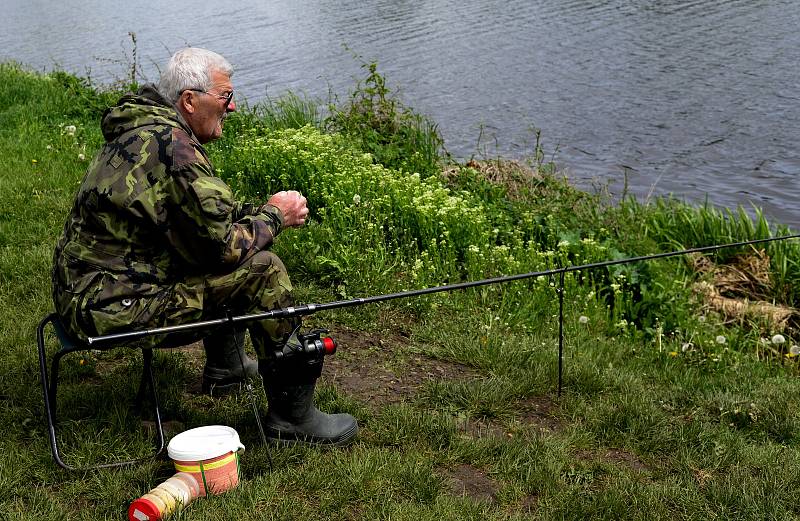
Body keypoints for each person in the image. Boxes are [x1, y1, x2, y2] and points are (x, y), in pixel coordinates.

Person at [51, 47, 357, 446]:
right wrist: (276, 217)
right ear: (190, 100)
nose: (233, 108)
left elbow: (201, 218)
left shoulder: (141, 131)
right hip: (112, 311)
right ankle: (291, 419)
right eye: (226, 97)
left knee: (220, 255)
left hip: (81, 294)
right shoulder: (175, 148)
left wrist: (259, 211)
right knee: (263, 269)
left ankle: (226, 369)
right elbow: (221, 249)